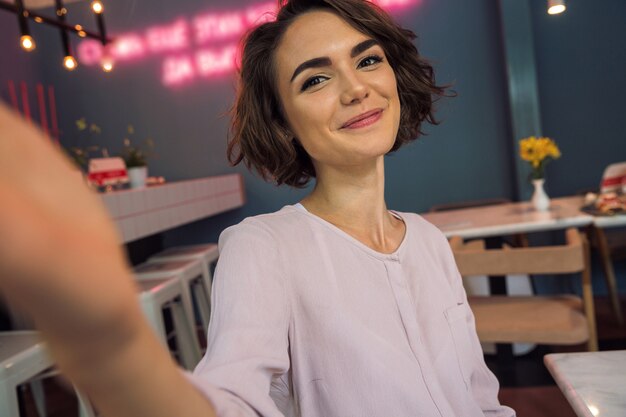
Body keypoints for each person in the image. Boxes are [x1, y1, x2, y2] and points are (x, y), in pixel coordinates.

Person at [0, 0, 515, 416]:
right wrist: (113, 348)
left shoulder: (429, 240)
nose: (357, 88)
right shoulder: (263, 247)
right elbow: (232, 398)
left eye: (367, 59)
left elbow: (480, 397)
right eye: (316, 79)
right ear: (283, 121)